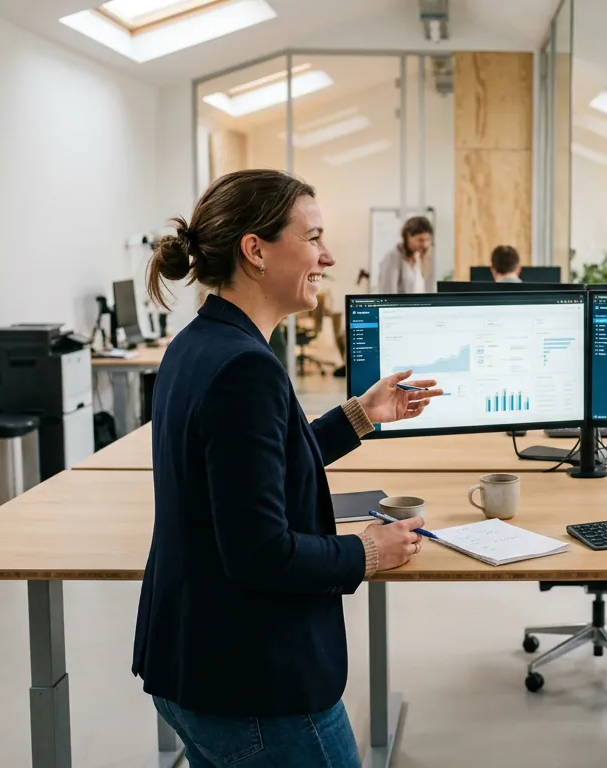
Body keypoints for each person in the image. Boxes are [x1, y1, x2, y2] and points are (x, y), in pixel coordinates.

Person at [134, 169, 444, 767]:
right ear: (255, 250)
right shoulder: (245, 369)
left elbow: (262, 465)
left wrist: (361, 414)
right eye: (314, 237)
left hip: (191, 663)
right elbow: (259, 552)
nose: (328, 257)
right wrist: (368, 551)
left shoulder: (200, 344)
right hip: (254, 684)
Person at [374, 215, 434, 294]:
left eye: (427, 240)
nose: (425, 245)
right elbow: (388, 293)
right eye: (420, 240)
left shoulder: (418, 257)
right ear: (408, 236)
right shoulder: (393, 257)